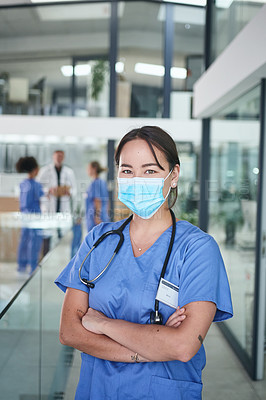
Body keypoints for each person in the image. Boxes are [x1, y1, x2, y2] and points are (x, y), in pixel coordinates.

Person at [55, 126, 233, 400]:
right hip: (96, 391)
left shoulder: (197, 249)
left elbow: (183, 347)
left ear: (173, 176)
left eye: (150, 171)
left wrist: (101, 324)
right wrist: (152, 347)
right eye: (127, 170)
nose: (137, 179)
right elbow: (69, 332)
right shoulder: (99, 240)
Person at [37, 150, 77, 254]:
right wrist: (49, 190)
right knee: (48, 235)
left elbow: (74, 189)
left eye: (61, 156)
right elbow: (38, 188)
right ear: (53, 157)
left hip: (63, 205)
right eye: (57, 156)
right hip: (50, 206)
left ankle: (60, 258)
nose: (59, 158)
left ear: (63, 157)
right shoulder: (45, 170)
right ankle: (45, 257)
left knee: (62, 236)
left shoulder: (69, 172)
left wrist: (69, 192)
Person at [16, 156, 44, 275]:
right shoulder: (36, 185)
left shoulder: (23, 184)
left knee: (24, 240)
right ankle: (33, 266)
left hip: (24, 216)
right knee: (34, 242)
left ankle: (21, 265)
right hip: (34, 217)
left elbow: (22, 202)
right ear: (35, 169)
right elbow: (43, 196)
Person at [85, 161, 110, 232]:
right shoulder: (103, 182)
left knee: (95, 240)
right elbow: (107, 201)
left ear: (94, 169)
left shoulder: (95, 183)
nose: (87, 170)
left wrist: (97, 217)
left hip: (95, 219)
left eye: (88, 168)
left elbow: (97, 200)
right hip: (104, 216)